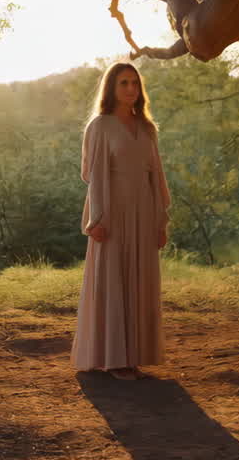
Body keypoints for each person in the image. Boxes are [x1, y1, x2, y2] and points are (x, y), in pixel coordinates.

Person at [71, 62, 171, 380]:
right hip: (111, 214)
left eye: (135, 83)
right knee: (113, 279)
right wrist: (95, 219)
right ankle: (112, 358)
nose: (130, 88)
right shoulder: (99, 126)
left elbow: (157, 176)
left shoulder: (147, 128)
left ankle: (134, 355)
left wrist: (160, 221)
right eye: (124, 83)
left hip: (143, 212)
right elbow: (93, 176)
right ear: (112, 88)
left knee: (140, 281)